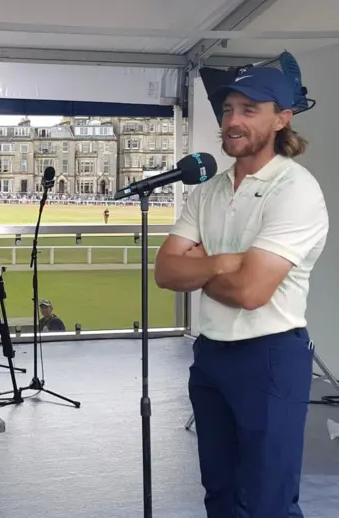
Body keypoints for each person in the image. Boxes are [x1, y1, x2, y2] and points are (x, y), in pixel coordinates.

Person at [154, 67, 328, 518]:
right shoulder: (208, 190)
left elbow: (251, 291)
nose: (233, 119)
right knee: (221, 494)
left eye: (250, 109)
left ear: (281, 119)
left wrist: (201, 265)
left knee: (267, 500)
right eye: (229, 109)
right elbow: (166, 272)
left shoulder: (295, 189)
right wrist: (223, 261)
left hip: (270, 358)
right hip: (211, 356)